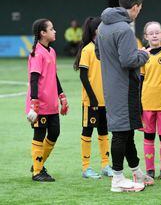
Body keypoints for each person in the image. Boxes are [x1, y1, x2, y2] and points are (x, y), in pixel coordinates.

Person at [97, 0, 153, 193]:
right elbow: (128, 60)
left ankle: (136, 171)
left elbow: (99, 53)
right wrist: (143, 55)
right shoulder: (124, 29)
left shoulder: (103, 25)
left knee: (126, 131)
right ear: (136, 7)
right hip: (124, 86)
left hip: (111, 85)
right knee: (121, 133)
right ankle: (118, 179)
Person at [26, 18, 69, 182]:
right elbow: (34, 79)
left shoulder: (51, 51)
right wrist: (34, 103)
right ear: (42, 33)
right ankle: (37, 172)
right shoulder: (37, 53)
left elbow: (54, 76)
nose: (55, 31)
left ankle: (38, 162)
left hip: (51, 103)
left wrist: (62, 96)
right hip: (40, 104)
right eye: (51, 29)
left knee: (55, 132)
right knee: (39, 134)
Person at [73, 17, 113, 179]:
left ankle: (105, 165)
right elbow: (83, 77)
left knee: (104, 133)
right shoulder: (87, 50)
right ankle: (86, 168)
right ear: (96, 30)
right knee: (87, 132)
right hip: (91, 102)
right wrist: (93, 99)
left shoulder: (106, 48)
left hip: (106, 101)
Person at [140, 21, 161, 179]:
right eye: (151, 33)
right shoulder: (143, 55)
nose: (154, 35)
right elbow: (140, 80)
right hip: (147, 102)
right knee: (148, 136)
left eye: (157, 32)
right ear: (146, 36)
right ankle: (149, 170)